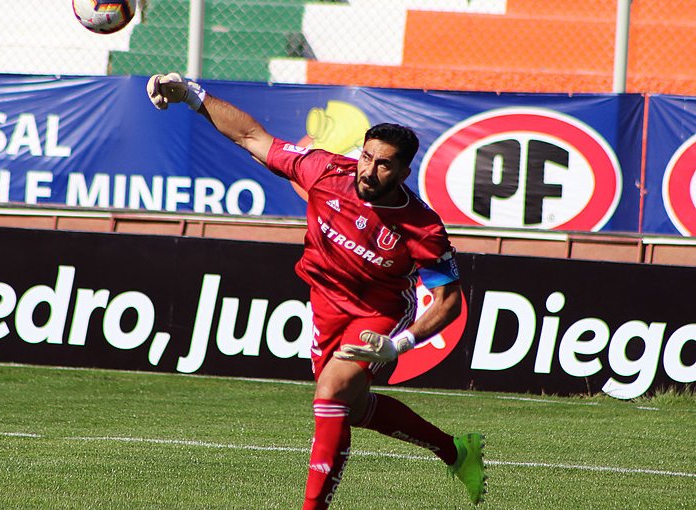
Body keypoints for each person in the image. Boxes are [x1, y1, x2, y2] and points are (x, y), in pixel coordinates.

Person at [146, 73, 487, 508]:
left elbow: (450, 300)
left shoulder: (421, 225)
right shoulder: (325, 170)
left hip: (376, 314)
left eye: (384, 164)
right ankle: (456, 452)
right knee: (353, 406)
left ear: (404, 170)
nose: (370, 169)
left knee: (330, 393)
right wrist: (191, 95)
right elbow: (252, 136)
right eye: (366, 157)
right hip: (325, 306)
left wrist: (398, 344)